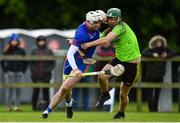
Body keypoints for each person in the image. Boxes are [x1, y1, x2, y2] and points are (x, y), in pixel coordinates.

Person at [81, 8, 141, 119]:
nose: (112, 21)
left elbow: (106, 41)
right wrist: (77, 40)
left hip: (132, 64)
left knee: (123, 94)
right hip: (119, 60)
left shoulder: (121, 27)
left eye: (114, 19)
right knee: (101, 76)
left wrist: (87, 45)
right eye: (110, 19)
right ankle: (105, 94)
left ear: (119, 19)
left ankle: (121, 113)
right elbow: (99, 38)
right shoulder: (109, 29)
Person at [41, 11, 101, 119]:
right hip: (71, 61)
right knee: (66, 90)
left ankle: (46, 112)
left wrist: (82, 61)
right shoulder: (81, 33)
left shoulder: (96, 28)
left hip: (83, 63)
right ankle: (69, 105)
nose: (97, 25)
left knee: (64, 87)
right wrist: (75, 69)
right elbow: (70, 54)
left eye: (99, 22)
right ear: (88, 22)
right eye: (95, 22)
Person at [142, 35, 175, 112]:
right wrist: (152, 55)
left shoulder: (165, 49)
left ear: (162, 42)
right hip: (150, 75)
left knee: (157, 94)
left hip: (160, 75)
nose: (158, 43)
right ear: (154, 42)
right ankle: (151, 109)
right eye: (157, 42)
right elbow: (143, 53)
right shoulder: (151, 49)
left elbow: (173, 53)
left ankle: (155, 109)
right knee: (150, 93)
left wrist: (167, 55)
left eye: (160, 42)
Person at [1, 33, 28, 111]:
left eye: (15, 40)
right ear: (10, 41)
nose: (14, 42)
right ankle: (8, 107)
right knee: (10, 90)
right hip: (10, 72)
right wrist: (5, 70)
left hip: (19, 72)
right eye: (13, 40)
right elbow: (2, 61)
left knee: (18, 90)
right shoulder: (7, 50)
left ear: (17, 41)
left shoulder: (21, 50)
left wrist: (23, 70)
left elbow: (26, 61)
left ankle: (16, 106)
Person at [29, 36, 55, 111]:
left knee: (46, 92)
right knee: (35, 91)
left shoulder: (49, 51)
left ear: (45, 41)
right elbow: (31, 63)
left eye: (43, 40)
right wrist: (34, 71)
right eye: (40, 41)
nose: (41, 42)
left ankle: (47, 108)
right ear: (37, 42)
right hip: (35, 75)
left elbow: (52, 63)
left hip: (46, 75)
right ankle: (34, 108)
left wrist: (47, 70)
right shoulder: (33, 51)